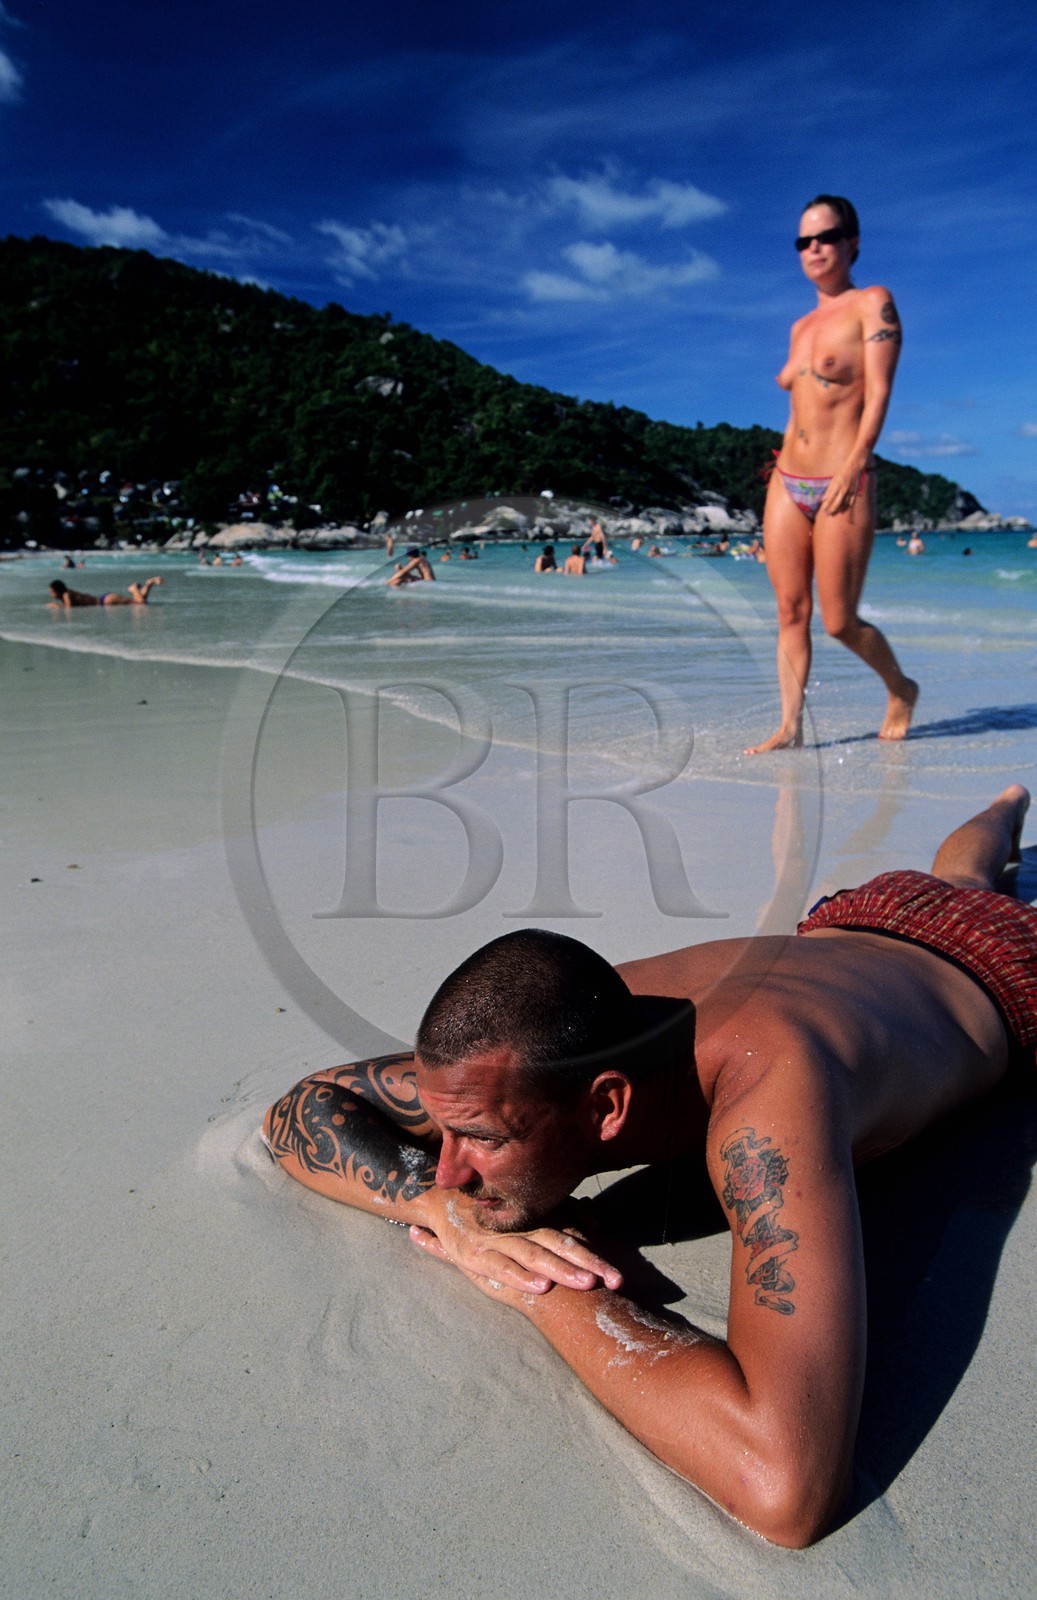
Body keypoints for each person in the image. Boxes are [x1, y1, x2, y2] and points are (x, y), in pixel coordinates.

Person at [263, 784, 1034, 1547]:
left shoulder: (768, 1096)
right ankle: (1005, 805)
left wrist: (533, 1283)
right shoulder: (553, 1034)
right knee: (957, 878)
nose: (449, 1170)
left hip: (999, 969)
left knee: (973, 893)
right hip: (858, 917)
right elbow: (304, 1104)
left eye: (483, 1141)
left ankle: (1005, 810)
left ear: (605, 1108)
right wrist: (444, 1219)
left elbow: (784, 1489)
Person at [747, 196, 918, 754]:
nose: (814, 248)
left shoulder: (873, 303)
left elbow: (881, 391)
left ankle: (901, 687)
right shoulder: (800, 326)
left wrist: (855, 461)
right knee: (790, 611)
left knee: (839, 621)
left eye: (826, 236)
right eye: (804, 241)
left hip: (845, 478)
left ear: (853, 242)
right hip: (786, 479)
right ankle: (790, 727)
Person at [47, 576, 163, 608]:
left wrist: (56, 606)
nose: (50, 594)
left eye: (52, 591)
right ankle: (148, 584)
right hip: (105, 601)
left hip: (105, 601)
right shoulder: (67, 594)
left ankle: (134, 588)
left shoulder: (66, 595)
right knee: (139, 602)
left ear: (58, 590)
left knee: (140, 604)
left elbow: (69, 608)